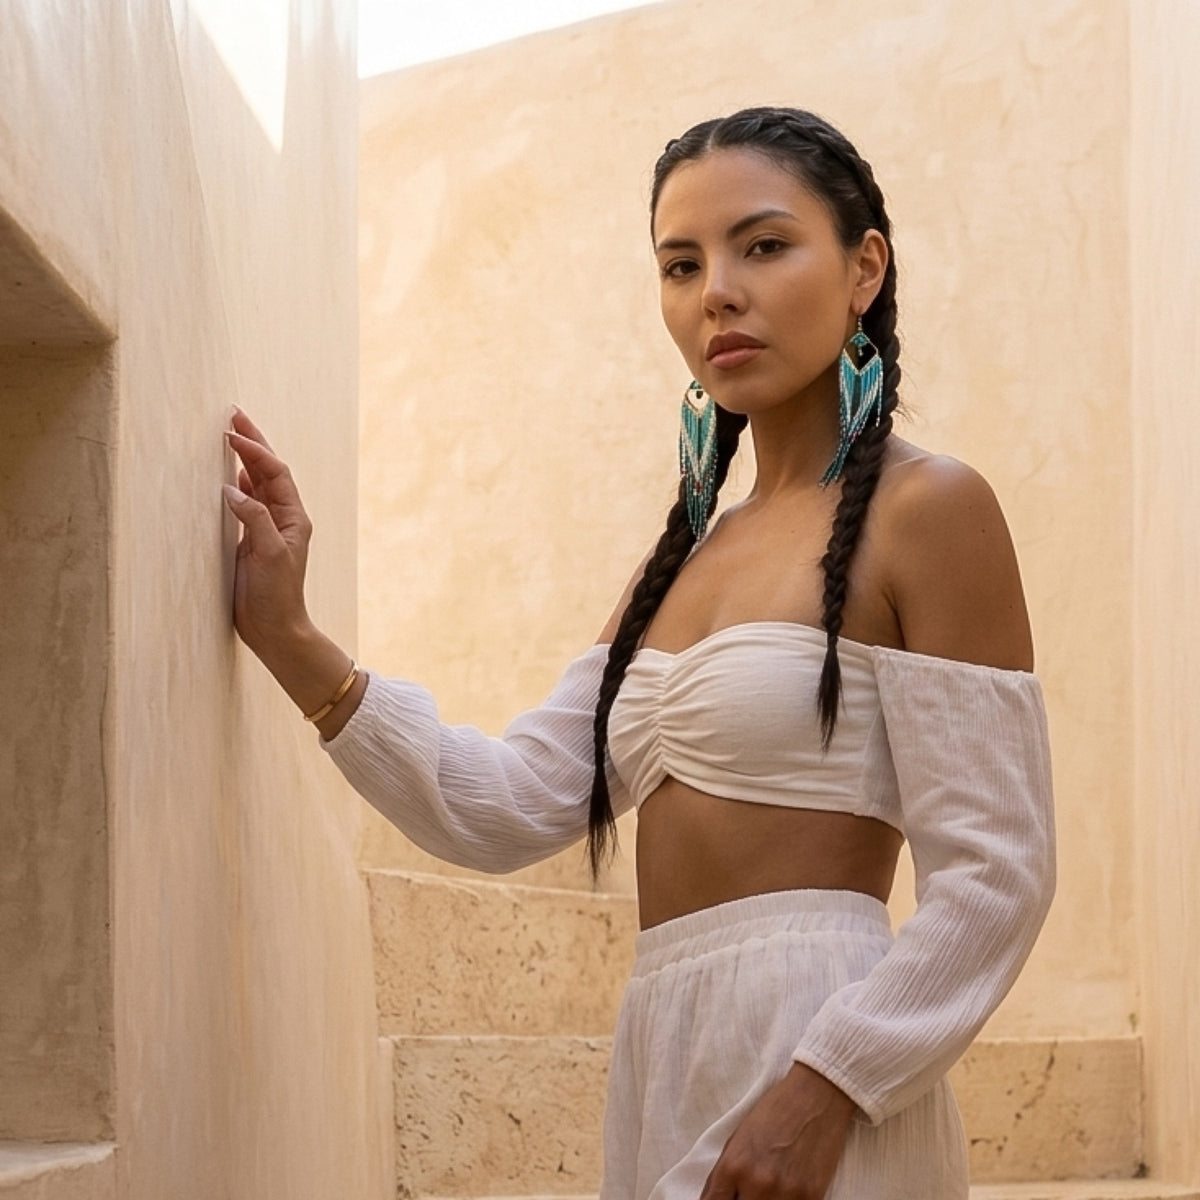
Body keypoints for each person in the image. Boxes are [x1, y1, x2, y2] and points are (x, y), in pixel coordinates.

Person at [222, 107, 1055, 1200]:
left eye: (762, 245)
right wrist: (288, 635)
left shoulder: (927, 509)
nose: (716, 291)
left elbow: (998, 873)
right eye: (680, 262)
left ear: (864, 269)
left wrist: (827, 1091)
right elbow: (511, 805)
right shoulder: (679, 563)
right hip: (666, 1044)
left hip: (823, 1056)